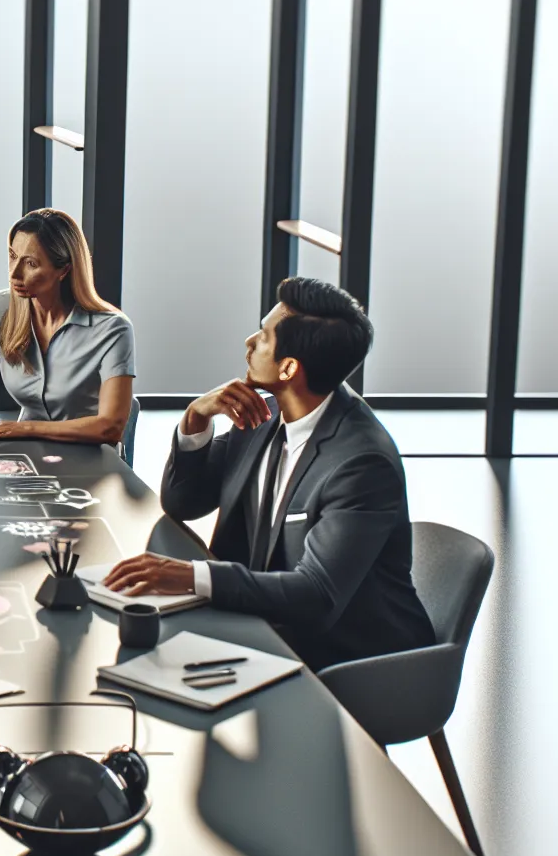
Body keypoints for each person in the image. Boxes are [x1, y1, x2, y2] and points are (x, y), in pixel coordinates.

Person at [100, 277, 435, 671]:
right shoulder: (267, 414)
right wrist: (195, 419)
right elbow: (184, 503)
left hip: (346, 655)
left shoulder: (361, 464)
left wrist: (194, 577)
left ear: (289, 367)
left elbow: (316, 595)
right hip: (261, 618)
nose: (248, 343)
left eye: (262, 336)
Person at [0, 209, 135, 447]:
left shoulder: (113, 329)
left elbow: (110, 427)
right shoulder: (1, 309)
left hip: (92, 457)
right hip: (27, 453)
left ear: (64, 270)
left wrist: (24, 428)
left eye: (30, 263)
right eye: (12, 256)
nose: (14, 273)